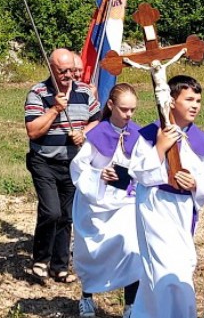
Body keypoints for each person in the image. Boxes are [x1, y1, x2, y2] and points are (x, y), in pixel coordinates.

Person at [127, 75, 204, 318]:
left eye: (198, 100)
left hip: (184, 210)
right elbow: (138, 172)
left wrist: (195, 184)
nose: (195, 105)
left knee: (182, 266)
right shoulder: (150, 134)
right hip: (155, 208)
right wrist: (160, 147)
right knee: (167, 272)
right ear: (171, 102)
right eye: (189, 99)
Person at [24, 48, 100, 282]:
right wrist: (55, 109)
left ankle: (59, 265)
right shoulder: (38, 92)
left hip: (73, 162)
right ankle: (40, 258)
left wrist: (84, 133)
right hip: (44, 160)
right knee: (51, 211)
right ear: (51, 69)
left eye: (72, 70)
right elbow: (33, 131)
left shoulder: (86, 92)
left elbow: (97, 120)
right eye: (63, 71)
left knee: (67, 215)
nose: (69, 75)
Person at [71, 83, 143, 318]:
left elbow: (145, 167)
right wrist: (99, 175)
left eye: (132, 109)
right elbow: (79, 167)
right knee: (92, 252)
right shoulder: (96, 135)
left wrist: (132, 176)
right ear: (111, 105)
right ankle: (87, 297)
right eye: (124, 109)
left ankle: (131, 304)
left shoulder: (138, 134)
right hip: (96, 201)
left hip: (126, 201)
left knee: (133, 249)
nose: (129, 115)